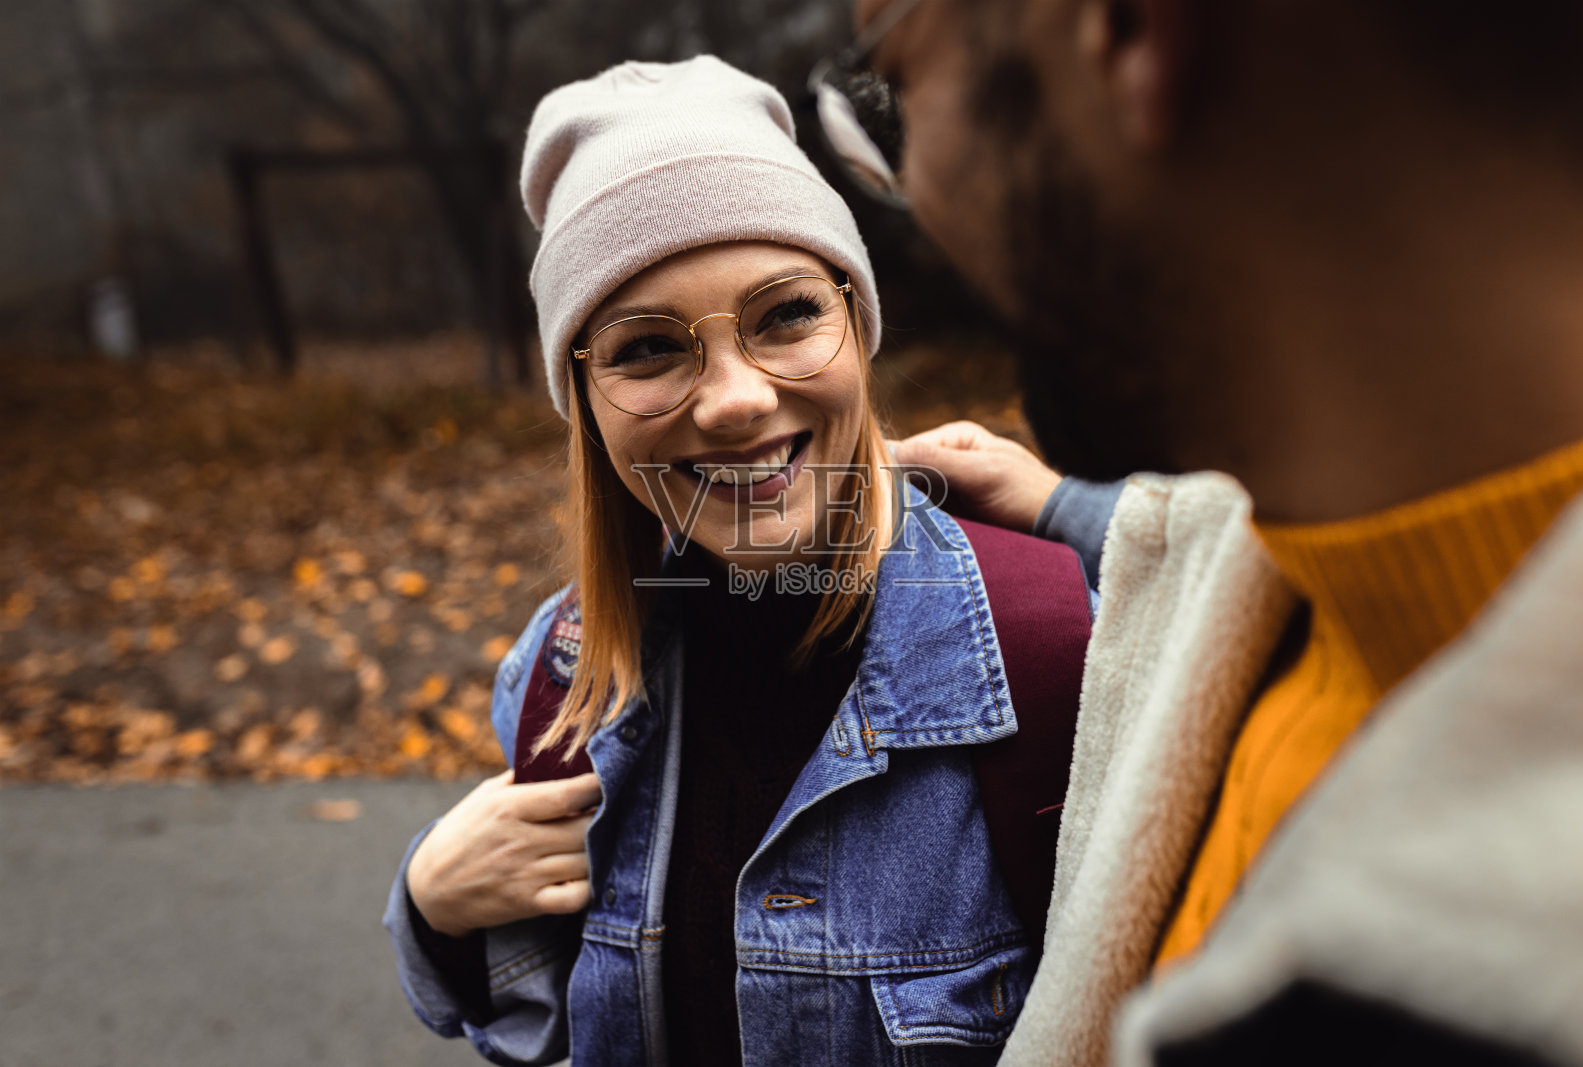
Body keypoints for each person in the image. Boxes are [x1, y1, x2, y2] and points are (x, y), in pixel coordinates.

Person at [811, 0, 1583, 1064]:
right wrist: (1070, 510)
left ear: (1131, 32)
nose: (921, 198)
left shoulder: (1432, 1017)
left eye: (895, 85)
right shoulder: (1292, 563)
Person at [383, 56, 1098, 1066]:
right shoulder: (564, 668)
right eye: (646, 349)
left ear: (855, 322)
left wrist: (1092, 517)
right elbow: (540, 1028)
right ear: (584, 402)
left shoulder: (1064, 643)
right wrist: (434, 911)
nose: (733, 399)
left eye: (785, 316)